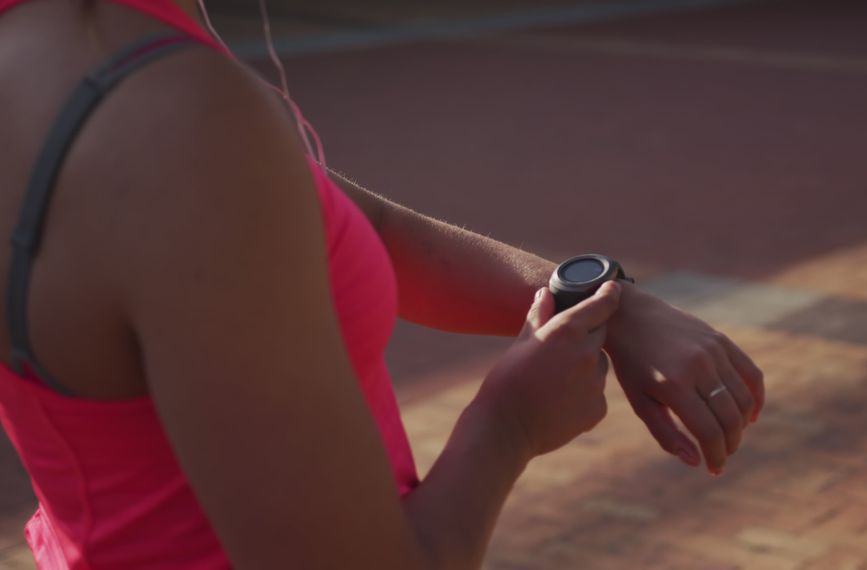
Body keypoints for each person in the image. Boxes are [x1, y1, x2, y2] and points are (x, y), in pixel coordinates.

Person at [0, 0, 765, 567]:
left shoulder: (69, 52)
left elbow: (364, 229)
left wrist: (611, 305)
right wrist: (506, 425)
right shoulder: (170, 118)